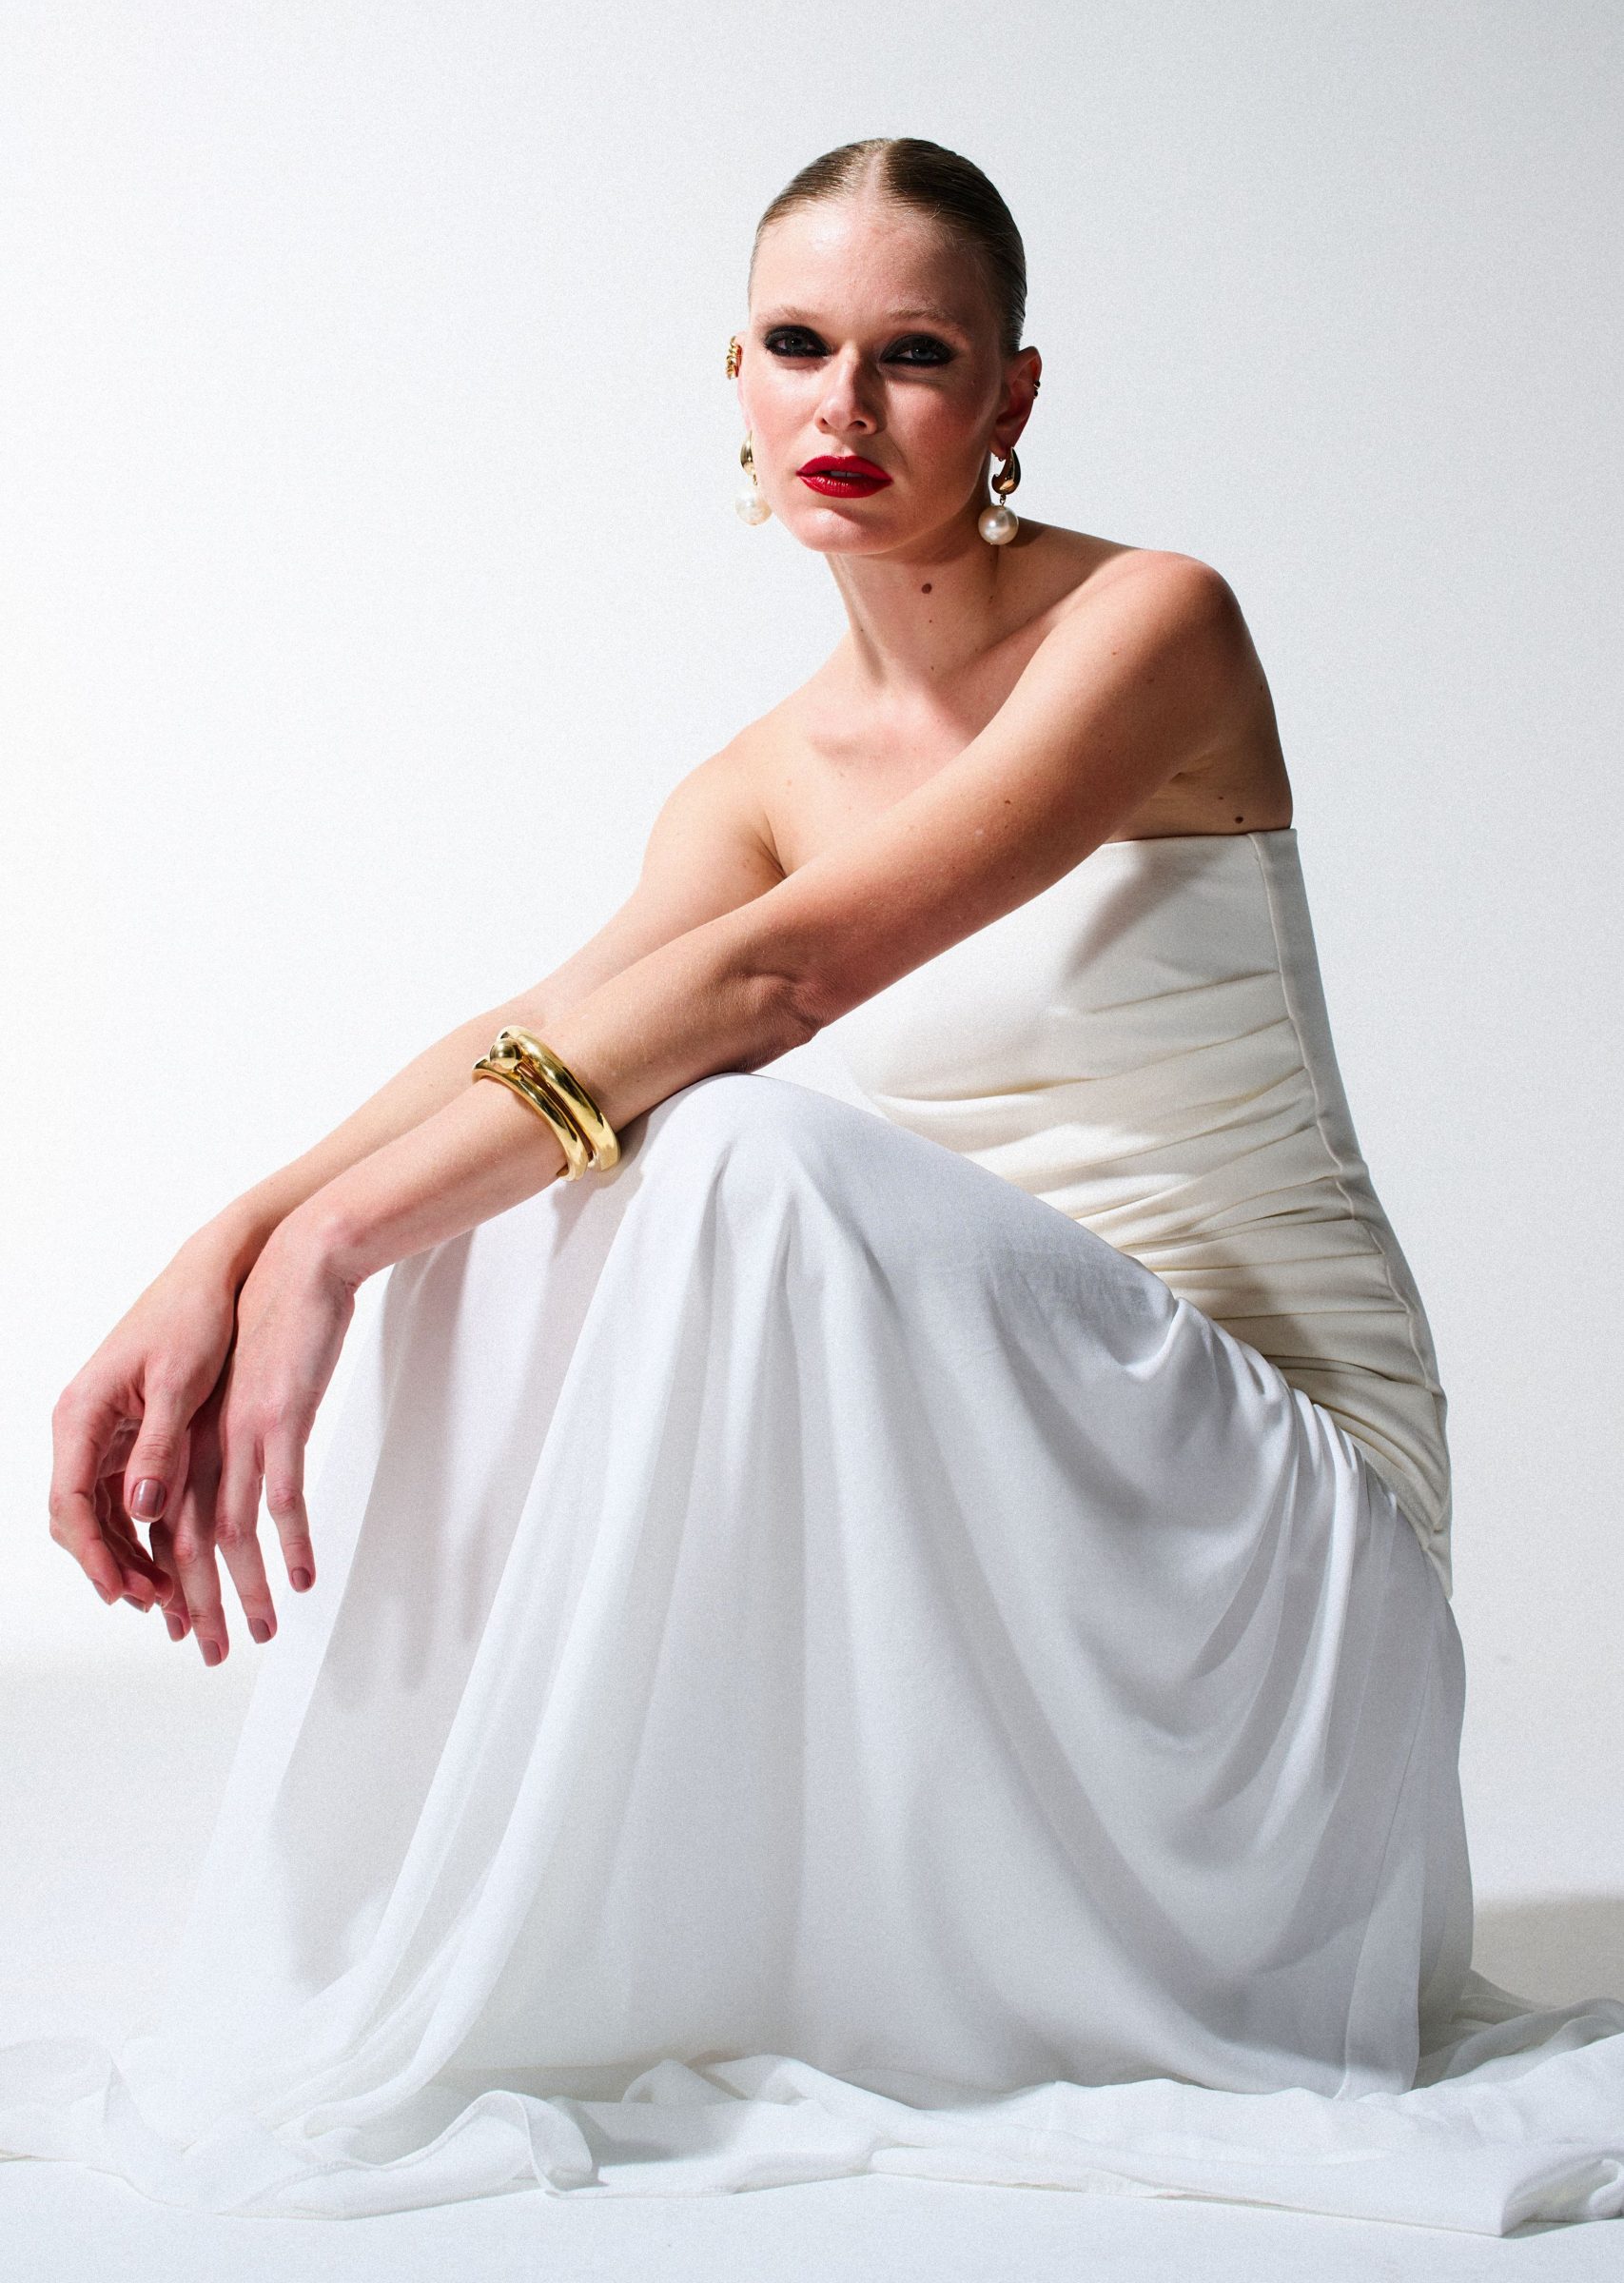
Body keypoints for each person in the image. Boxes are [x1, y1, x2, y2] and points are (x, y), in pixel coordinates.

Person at [8, 137, 1622, 2228]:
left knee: (720, 1131)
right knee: (525, 1175)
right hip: (1020, 1533)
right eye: (797, 345)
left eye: (913, 356)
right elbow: (553, 1018)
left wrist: (333, 1245)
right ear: (739, 378)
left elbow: (776, 982)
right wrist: (230, 1246)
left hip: (1279, 1552)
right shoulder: (760, 776)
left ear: (1011, 396)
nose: (843, 407)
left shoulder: (1150, 624)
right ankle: (408, 1947)